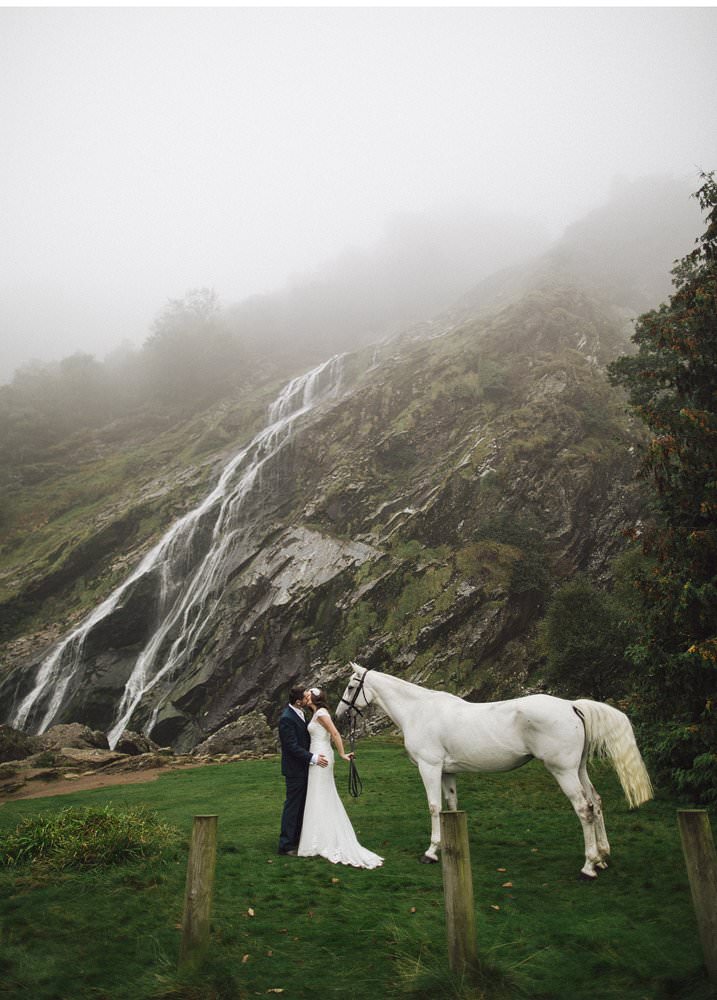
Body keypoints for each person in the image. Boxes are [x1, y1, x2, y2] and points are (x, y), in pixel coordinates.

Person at [298, 687, 383, 868]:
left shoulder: (321, 713)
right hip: (316, 754)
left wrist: (342, 754)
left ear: (314, 698)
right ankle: (317, 838)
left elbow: (335, 733)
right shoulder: (315, 713)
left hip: (321, 755)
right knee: (318, 795)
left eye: (308, 694)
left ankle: (320, 840)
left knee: (321, 794)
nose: (305, 696)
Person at [278, 685, 328, 856]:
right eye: (306, 696)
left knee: (302, 805)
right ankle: (285, 845)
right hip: (295, 770)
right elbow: (291, 746)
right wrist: (312, 758)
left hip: (304, 768)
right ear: (298, 701)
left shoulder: (300, 713)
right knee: (292, 806)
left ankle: (297, 838)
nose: (308, 698)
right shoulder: (286, 718)